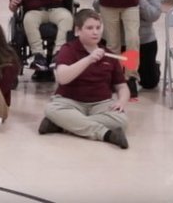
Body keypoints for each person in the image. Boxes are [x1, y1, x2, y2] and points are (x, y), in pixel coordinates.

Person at [40, 9, 131, 149]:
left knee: (121, 120)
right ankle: (105, 134)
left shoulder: (109, 55)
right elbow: (62, 78)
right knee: (51, 109)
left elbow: (122, 86)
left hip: (101, 104)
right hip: (69, 102)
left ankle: (64, 125)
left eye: (98, 27)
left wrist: (122, 101)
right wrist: (88, 59)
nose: (95, 32)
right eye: (89, 28)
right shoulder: (68, 49)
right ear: (78, 31)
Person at [133, 0, 164, 97]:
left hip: (144, 40)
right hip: (118, 39)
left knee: (149, 83)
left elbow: (154, 14)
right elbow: (97, 5)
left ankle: (153, 67)